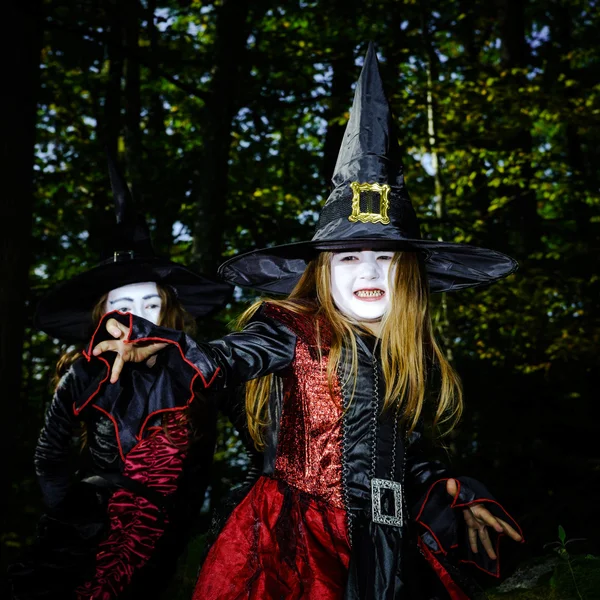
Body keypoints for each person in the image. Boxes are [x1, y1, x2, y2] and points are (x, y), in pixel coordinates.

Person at [92, 45, 523, 599]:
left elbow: (400, 452)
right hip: (294, 549)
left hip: (387, 548)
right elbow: (227, 355)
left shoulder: (401, 355)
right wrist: (165, 350)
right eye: (348, 257)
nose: (368, 268)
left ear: (411, 275)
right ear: (321, 272)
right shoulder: (290, 328)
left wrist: (447, 491)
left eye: (386, 256)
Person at [9, 156, 232, 600]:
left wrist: (182, 529)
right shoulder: (83, 372)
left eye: (150, 306)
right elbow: (49, 455)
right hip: (87, 537)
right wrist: (69, 516)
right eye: (122, 307)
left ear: (168, 313)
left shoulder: (196, 375)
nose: (136, 319)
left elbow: (200, 469)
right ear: (103, 315)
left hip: (163, 542)